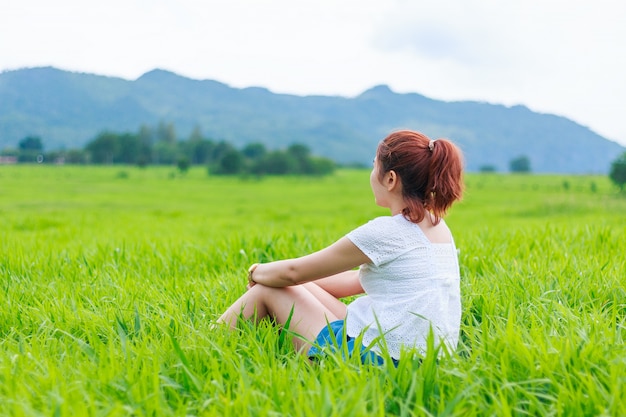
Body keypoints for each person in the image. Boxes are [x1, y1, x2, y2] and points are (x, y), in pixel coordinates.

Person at [216, 130, 464, 364]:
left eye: (374, 165)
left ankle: (208, 344)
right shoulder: (438, 227)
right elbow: (356, 280)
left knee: (267, 292)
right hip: (424, 362)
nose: (371, 173)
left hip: (377, 362)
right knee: (286, 286)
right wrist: (288, 282)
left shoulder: (388, 231)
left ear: (390, 179)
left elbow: (293, 271)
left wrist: (256, 272)